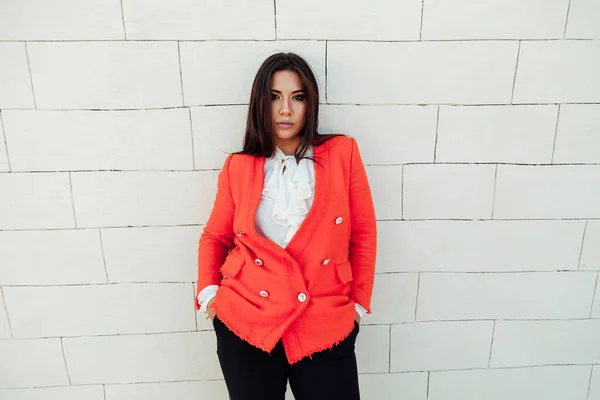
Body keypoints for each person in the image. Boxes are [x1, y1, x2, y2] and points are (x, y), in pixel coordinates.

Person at [194, 52, 377, 400]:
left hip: (325, 323)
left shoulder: (343, 154)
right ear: (260, 103)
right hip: (246, 324)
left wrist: (356, 308)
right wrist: (211, 297)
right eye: (274, 97)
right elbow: (214, 237)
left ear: (311, 103)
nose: (285, 110)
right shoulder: (238, 167)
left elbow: (364, 233)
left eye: (297, 97)